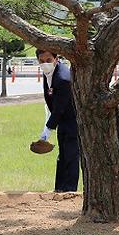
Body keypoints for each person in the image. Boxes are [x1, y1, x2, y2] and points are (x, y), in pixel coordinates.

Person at [37, 49, 79, 192]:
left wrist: (47, 129)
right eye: (41, 61)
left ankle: (69, 189)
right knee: (63, 155)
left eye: (48, 60)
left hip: (73, 120)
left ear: (56, 58)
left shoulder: (63, 78)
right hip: (62, 120)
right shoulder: (48, 72)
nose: (45, 64)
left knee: (71, 155)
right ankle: (59, 188)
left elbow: (60, 108)